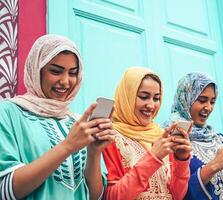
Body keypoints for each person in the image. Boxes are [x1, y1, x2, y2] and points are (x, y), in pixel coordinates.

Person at [0, 35, 116, 200]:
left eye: (73, 73)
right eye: (56, 71)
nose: (65, 81)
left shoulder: (77, 123)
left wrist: (94, 152)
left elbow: (95, 196)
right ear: (36, 70)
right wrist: (67, 146)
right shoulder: (8, 113)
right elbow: (5, 190)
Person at [102, 67, 192, 200]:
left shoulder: (161, 135)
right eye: (144, 97)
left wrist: (181, 160)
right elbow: (113, 197)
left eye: (156, 98)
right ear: (128, 96)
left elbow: (178, 195)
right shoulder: (109, 136)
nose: (151, 105)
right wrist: (153, 157)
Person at [163, 72, 223, 200]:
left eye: (212, 102)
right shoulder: (171, 140)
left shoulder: (220, 140)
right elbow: (175, 194)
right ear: (185, 99)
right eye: (202, 100)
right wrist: (214, 165)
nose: (209, 107)